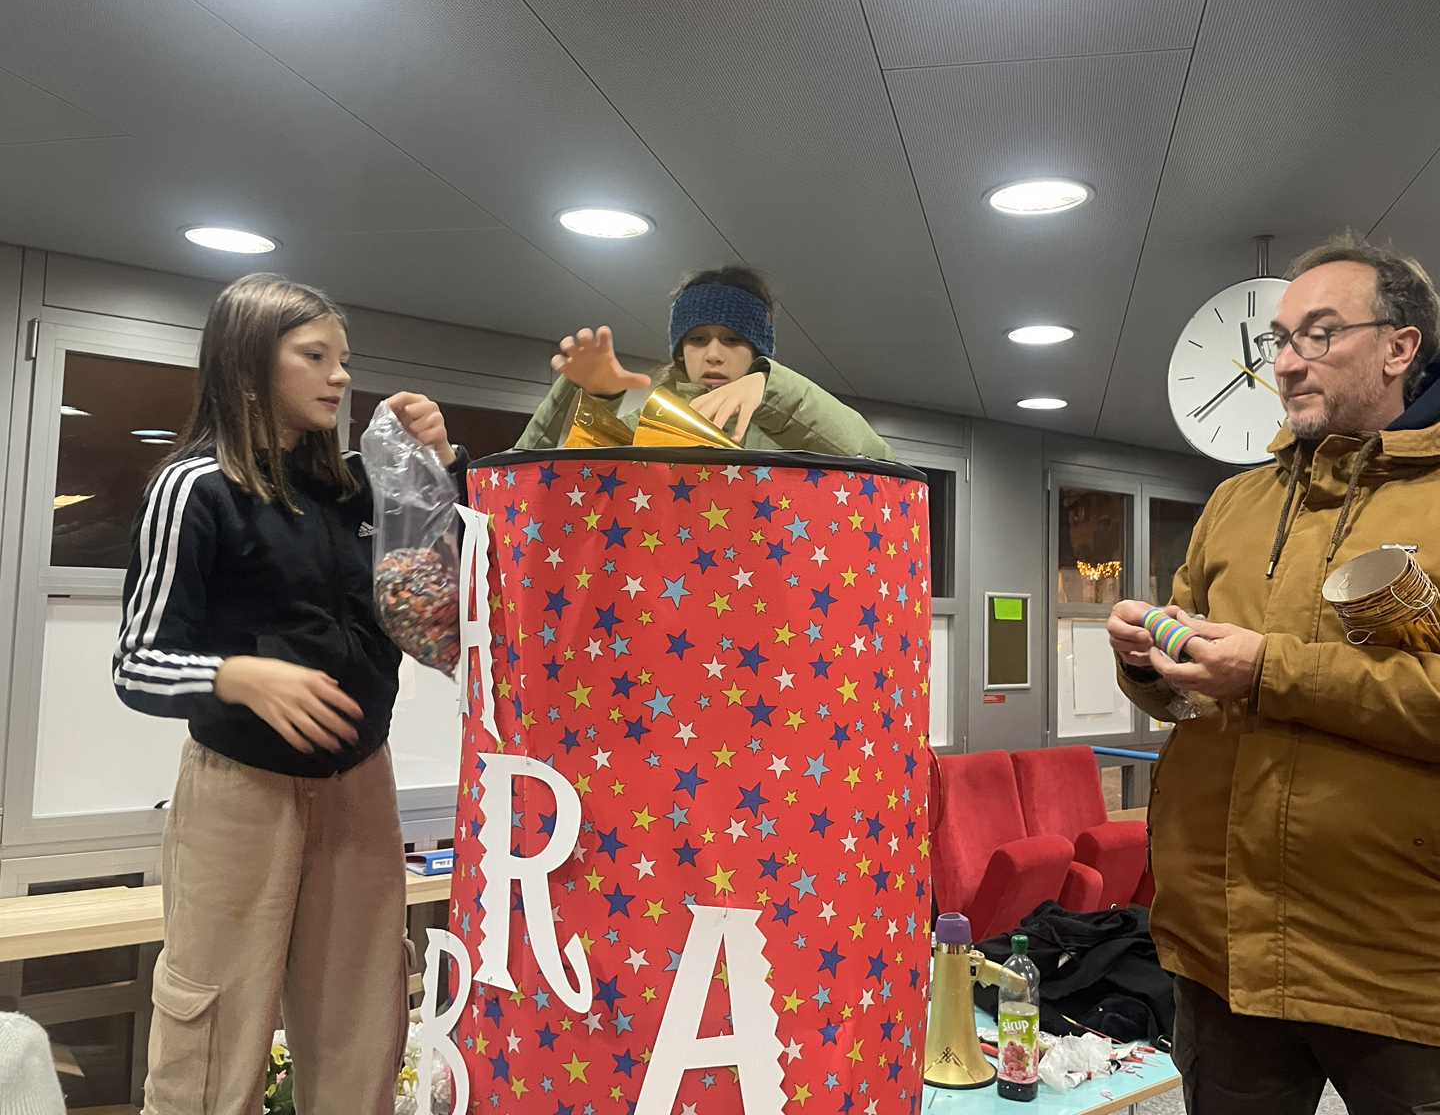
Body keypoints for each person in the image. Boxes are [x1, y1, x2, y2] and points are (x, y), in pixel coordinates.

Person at [1107, 232, 1440, 1115]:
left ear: (1401, 347)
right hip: (1221, 954)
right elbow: (1187, 688)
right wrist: (1148, 663)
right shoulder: (1235, 503)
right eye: (1279, 340)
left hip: (1400, 966)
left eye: (1319, 334)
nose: (1287, 362)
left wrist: (1269, 669)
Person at [112, 274, 465, 1115]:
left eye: (344, 358)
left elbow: (450, 565)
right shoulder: (194, 488)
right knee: (212, 1024)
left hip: (361, 786)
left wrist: (441, 464)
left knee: (363, 1020)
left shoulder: (356, 490)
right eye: (316, 356)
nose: (342, 376)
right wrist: (236, 674)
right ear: (248, 366)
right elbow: (136, 662)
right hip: (240, 792)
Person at [514, 264, 894, 459]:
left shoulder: (789, 429)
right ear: (681, 349)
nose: (713, 353)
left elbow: (885, 468)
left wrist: (771, 389)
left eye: (733, 339)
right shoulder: (646, 424)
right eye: (697, 339)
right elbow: (540, 488)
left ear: (757, 349)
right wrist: (591, 394)